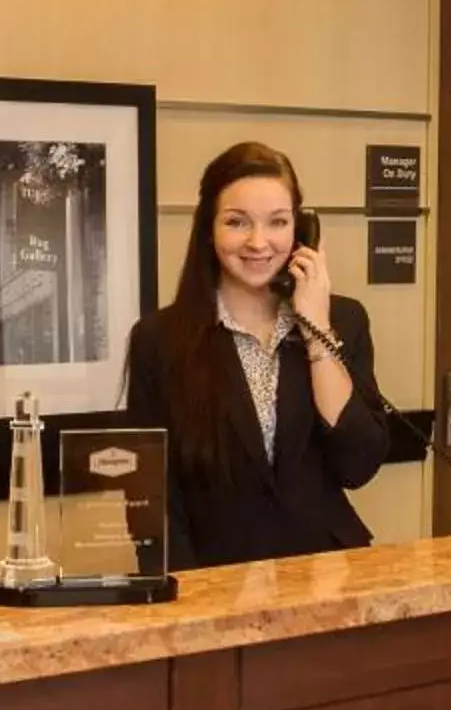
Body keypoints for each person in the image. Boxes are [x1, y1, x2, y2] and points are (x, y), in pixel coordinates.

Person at [122, 141, 391, 568]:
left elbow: (358, 464)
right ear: (208, 230)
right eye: (237, 222)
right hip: (216, 579)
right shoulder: (159, 340)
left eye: (278, 222)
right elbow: (152, 497)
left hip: (327, 573)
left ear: (301, 231)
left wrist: (315, 328)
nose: (258, 242)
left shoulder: (344, 319)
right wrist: (186, 599)